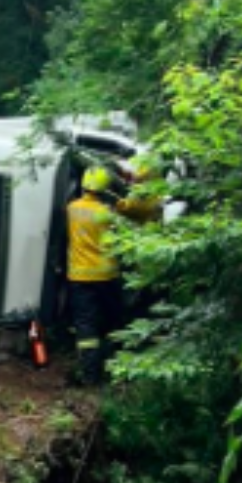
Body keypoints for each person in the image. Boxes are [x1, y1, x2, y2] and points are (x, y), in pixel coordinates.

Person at [66, 165, 161, 385]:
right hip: (107, 277)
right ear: (105, 188)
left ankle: (90, 376)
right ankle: (114, 368)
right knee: (113, 321)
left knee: (86, 329)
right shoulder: (110, 212)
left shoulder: (71, 208)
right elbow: (140, 212)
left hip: (79, 278)